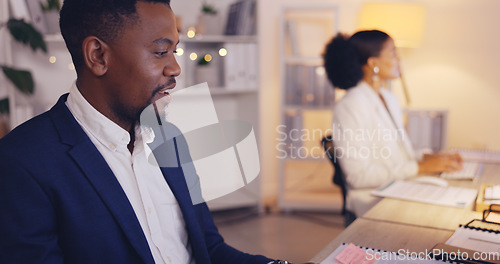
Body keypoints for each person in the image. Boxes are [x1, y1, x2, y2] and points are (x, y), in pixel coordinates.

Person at [0, 1, 294, 263]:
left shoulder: (171, 137)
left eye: (174, 51)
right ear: (98, 56)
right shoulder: (22, 164)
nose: (176, 68)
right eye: (160, 52)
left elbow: (209, 248)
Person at [323, 30, 462, 219]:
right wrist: (420, 167)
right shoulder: (349, 106)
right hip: (371, 201)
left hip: (400, 187)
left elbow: (399, 154)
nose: (399, 60)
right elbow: (358, 177)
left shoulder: (388, 98)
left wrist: (432, 158)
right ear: (373, 64)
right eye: (393, 53)